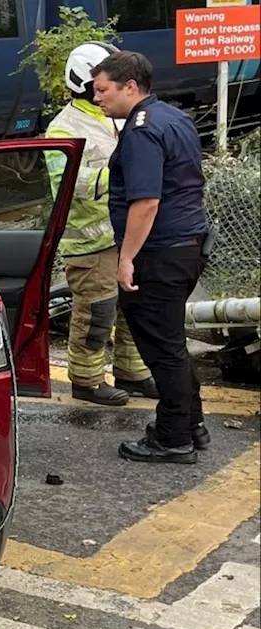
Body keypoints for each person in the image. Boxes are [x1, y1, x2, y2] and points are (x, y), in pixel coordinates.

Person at [91, 50, 212, 464]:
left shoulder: (141, 130)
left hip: (158, 253)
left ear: (129, 86)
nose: (97, 98)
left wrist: (126, 259)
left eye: (103, 89)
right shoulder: (173, 117)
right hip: (188, 246)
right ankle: (189, 424)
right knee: (171, 343)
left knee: (162, 348)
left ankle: (174, 437)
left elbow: (146, 202)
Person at [44, 42, 156, 407]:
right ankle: (87, 380)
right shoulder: (62, 130)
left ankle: (132, 372)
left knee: (133, 308)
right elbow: (70, 184)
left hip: (127, 236)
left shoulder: (118, 115)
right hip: (92, 243)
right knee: (96, 314)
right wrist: (126, 174)